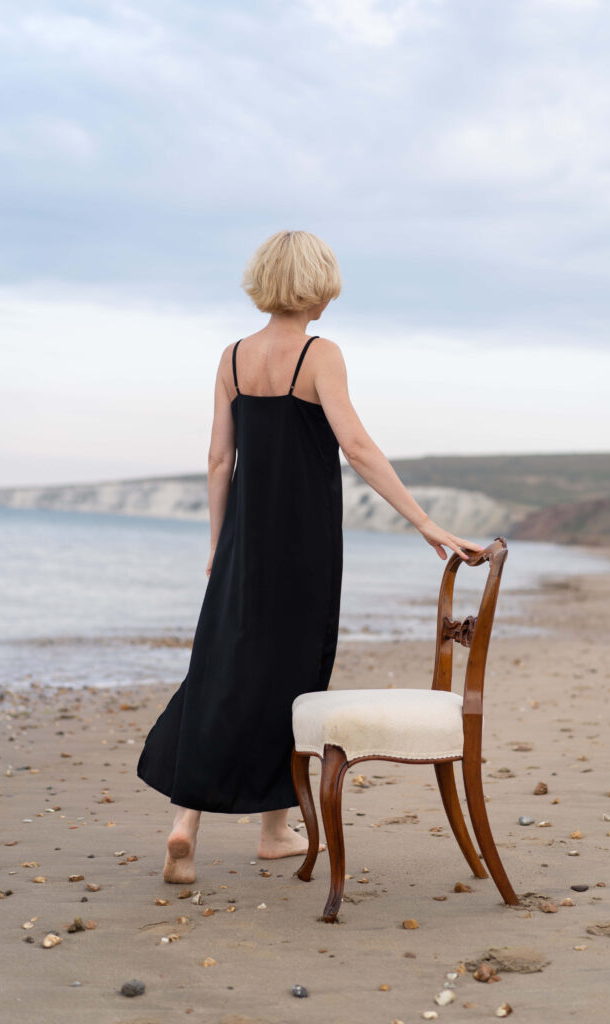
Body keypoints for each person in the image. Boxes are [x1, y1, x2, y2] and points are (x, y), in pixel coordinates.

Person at [136, 230, 485, 884]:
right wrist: (424, 521)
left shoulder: (232, 357)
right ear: (317, 286)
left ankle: (196, 825)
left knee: (220, 670)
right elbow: (356, 447)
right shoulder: (320, 354)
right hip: (305, 546)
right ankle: (270, 828)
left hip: (242, 542)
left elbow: (218, 459)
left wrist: (218, 545)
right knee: (292, 679)